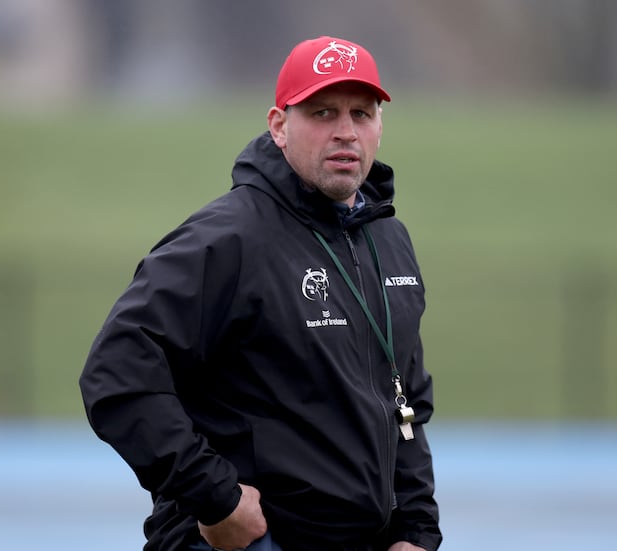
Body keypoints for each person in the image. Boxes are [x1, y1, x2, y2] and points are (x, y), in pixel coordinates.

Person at [79, 35, 442, 551]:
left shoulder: (389, 240)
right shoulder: (229, 238)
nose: (345, 132)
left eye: (361, 114)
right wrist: (216, 499)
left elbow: (405, 403)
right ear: (279, 126)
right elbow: (116, 371)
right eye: (322, 112)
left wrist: (418, 531)